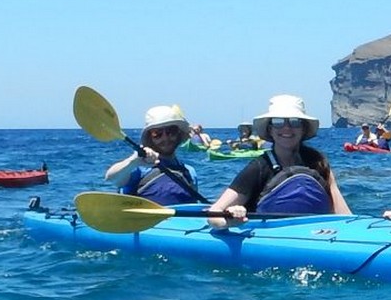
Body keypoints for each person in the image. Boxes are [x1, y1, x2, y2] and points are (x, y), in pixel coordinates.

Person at [213, 95, 351, 222]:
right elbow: (214, 214)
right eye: (278, 122)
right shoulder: (258, 168)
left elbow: (343, 213)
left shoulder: (318, 163)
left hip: (315, 235)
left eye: (295, 122)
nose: (287, 128)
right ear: (270, 130)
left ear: (303, 128)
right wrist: (230, 219)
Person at [105, 104, 204, 205]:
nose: (165, 138)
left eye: (171, 131)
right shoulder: (139, 167)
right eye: (157, 133)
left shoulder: (189, 172)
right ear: (150, 137)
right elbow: (111, 178)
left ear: (179, 134)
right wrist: (134, 161)